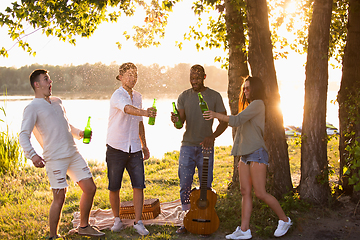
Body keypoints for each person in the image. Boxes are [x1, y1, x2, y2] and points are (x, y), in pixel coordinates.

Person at [19, 69, 105, 239]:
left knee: (90, 188)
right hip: (54, 158)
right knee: (59, 197)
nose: (50, 82)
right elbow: (23, 134)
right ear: (37, 85)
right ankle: (53, 236)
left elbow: (65, 125)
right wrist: (33, 155)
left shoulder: (58, 101)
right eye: (46, 80)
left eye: (49, 79)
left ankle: (84, 226)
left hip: (73, 153)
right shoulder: (32, 107)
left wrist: (79, 133)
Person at [203, 76, 292, 239]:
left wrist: (216, 114)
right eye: (244, 88)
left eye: (248, 87)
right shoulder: (250, 105)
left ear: (256, 89)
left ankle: (284, 220)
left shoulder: (258, 104)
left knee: (260, 193)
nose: (245, 90)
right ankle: (244, 230)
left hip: (257, 152)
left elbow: (236, 121)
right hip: (245, 155)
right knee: (245, 192)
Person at [171, 64, 228, 234]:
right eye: (192, 78)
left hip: (206, 146)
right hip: (187, 146)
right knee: (185, 184)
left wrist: (212, 137)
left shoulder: (214, 96)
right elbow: (180, 125)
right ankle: (187, 218)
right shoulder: (184, 96)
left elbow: (224, 121)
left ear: (204, 77)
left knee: (206, 185)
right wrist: (176, 121)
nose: (194, 81)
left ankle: (205, 216)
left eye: (197, 78)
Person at [106, 62, 156, 236]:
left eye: (135, 75)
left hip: (134, 147)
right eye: (129, 74)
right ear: (120, 77)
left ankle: (138, 221)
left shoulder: (139, 96)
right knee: (114, 186)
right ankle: (117, 220)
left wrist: (144, 145)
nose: (132, 78)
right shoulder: (117, 95)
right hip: (116, 147)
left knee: (139, 185)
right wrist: (145, 112)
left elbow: (140, 123)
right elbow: (128, 110)